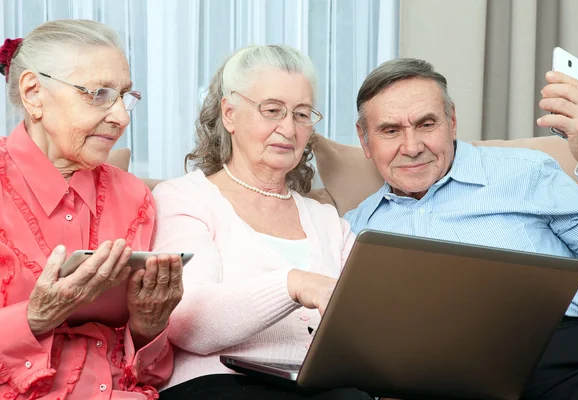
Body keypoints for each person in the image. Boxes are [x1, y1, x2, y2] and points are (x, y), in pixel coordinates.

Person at [344, 58, 578, 400]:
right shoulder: (354, 230)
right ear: (365, 139)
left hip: (561, 354)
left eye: (426, 124)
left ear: (451, 121)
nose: (412, 147)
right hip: (442, 376)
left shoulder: (525, 173)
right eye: (390, 130)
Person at [152, 45, 372, 399]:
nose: (288, 128)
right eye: (272, 110)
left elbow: (362, 321)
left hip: (323, 388)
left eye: (302, 115)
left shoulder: (327, 220)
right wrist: (293, 284)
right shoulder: (184, 198)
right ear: (229, 114)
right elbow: (187, 323)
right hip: (220, 386)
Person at [0, 20, 183, 399]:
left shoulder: (134, 197)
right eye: (98, 94)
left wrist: (148, 326)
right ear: (34, 93)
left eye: (124, 96)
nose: (122, 116)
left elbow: (154, 373)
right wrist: (33, 319)